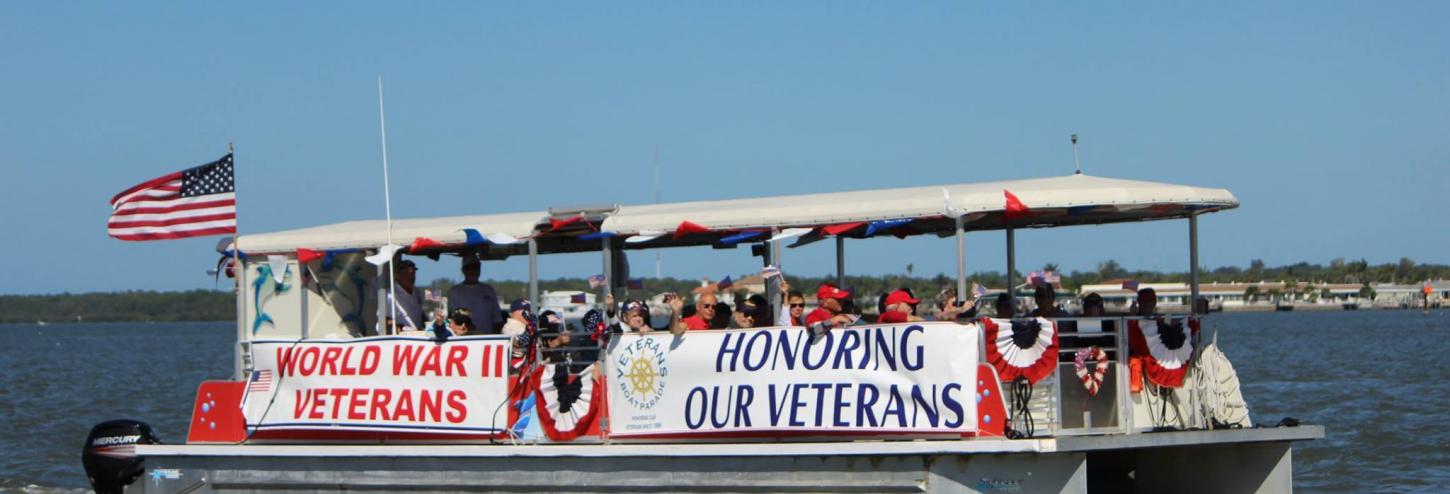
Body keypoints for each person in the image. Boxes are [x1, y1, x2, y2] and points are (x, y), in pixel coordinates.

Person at [446, 255, 501, 334]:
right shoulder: (454, 292)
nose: (472, 271)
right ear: (463, 270)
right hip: (465, 339)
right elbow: (452, 321)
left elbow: (497, 320)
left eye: (475, 267)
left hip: (487, 340)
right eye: (468, 268)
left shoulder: (489, 290)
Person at [381, 259, 424, 332]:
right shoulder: (389, 295)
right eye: (406, 273)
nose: (411, 276)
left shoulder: (416, 292)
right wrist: (400, 327)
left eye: (413, 273)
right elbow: (383, 322)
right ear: (397, 275)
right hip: (400, 339)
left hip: (418, 337)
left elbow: (420, 315)